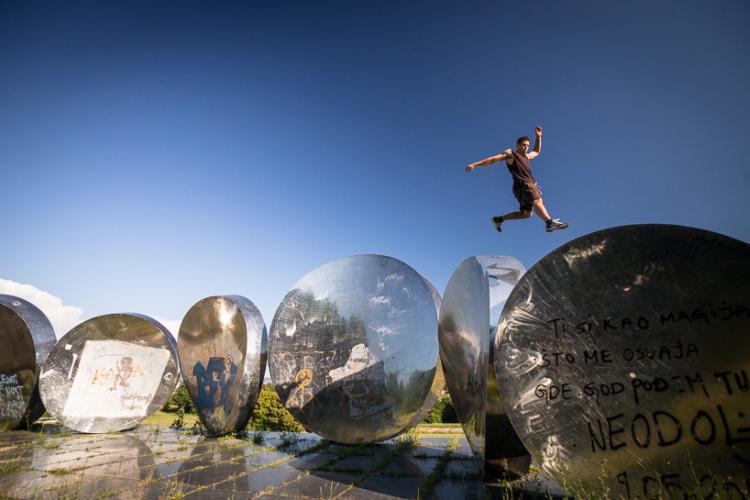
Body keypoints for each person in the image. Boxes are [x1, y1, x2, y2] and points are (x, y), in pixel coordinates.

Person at [465, 126, 569, 232]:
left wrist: (538, 137)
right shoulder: (511, 154)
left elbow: (536, 151)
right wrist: (475, 164)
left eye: (527, 146)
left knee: (526, 214)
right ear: (518, 145)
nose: (526, 148)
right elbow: (493, 159)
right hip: (524, 184)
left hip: (519, 188)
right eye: (524, 145)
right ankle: (549, 223)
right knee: (537, 200)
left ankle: (499, 219)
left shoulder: (527, 157)